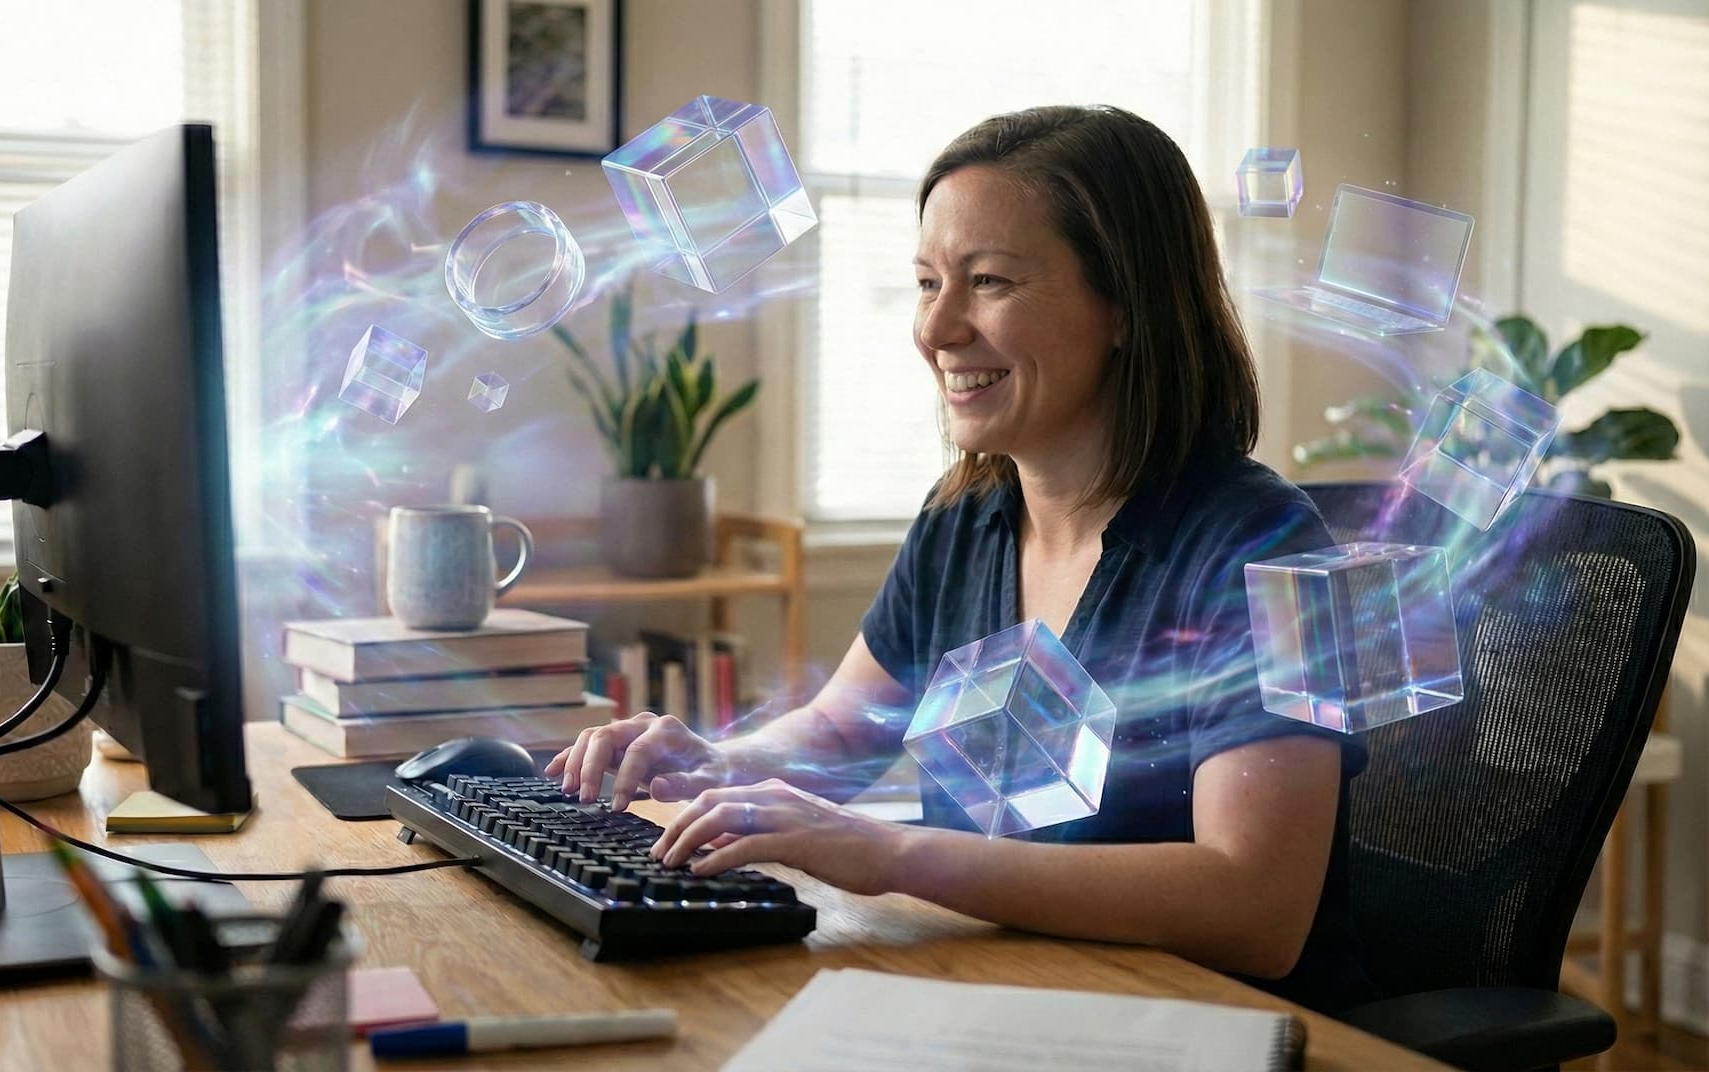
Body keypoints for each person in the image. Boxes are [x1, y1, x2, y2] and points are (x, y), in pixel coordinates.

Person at [549, 105, 1375, 1014]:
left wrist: (893, 855)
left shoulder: (1263, 546)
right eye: (926, 281)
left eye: (988, 282)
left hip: (1199, 1025)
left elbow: (1259, 907)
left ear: (1126, 307)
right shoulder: (964, 519)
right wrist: (714, 764)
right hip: (1000, 989)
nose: (936, 329)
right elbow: (839, 732)